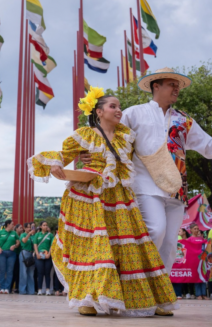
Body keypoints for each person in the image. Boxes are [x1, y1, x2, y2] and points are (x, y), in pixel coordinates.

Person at [29, 88, 178, 317]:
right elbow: (63, 154)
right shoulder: (85, 135)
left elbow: (142, 158)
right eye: (113, 107)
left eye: (118, 107)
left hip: (120, 198)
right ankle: (86, 298)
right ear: (99, 112)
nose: (119, 110)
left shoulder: (126, 135)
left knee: (129, 247)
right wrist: (56, 165)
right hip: (88, 198)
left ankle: (144, 298)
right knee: (91, 248)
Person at [107, 68, 212, 281]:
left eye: (178, 86)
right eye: (172, 84)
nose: (176, 89)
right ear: (156, 86)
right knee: (155, 231)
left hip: (177, 189)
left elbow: (209, 148)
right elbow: (111, 140)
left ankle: (160, 291)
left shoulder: (184, 119)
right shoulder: (134, 114)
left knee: (170, 242)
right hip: (145, 185)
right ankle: (135, 283)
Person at [0, 220, 18, 295]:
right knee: (2, 270)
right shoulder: (1, 232)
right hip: (2, 253)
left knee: (10, 271)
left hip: (11, 254)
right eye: (12, 224)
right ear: (8, 224)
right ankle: (2, 287)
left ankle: (7, 288)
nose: (13, 225)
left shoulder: (14, 233)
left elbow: (18, 242)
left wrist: (15, 246)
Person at [33, 221, 54, 295]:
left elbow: (52, 245)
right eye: (44, 225)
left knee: (47, 273)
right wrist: (37, 254)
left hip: (48, 256)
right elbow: (35, 245)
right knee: (40, 273)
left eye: (46, 225)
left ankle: (48, 290)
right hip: (39, 256)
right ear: (41, 226)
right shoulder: (37, 234)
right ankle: (39, 290)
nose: (45, 226)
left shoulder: (50, 235)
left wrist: (49, 254)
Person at [188, 225, 208, 300]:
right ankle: (198, 294)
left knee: (203, 276)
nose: (196, 230)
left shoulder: (201, 238)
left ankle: (204, 294)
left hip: (202, 260)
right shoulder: (189, 239)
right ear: (191, 230)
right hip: (194, 261)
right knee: (196, 277)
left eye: (197, 229)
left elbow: (205, 247)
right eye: (195, 229)